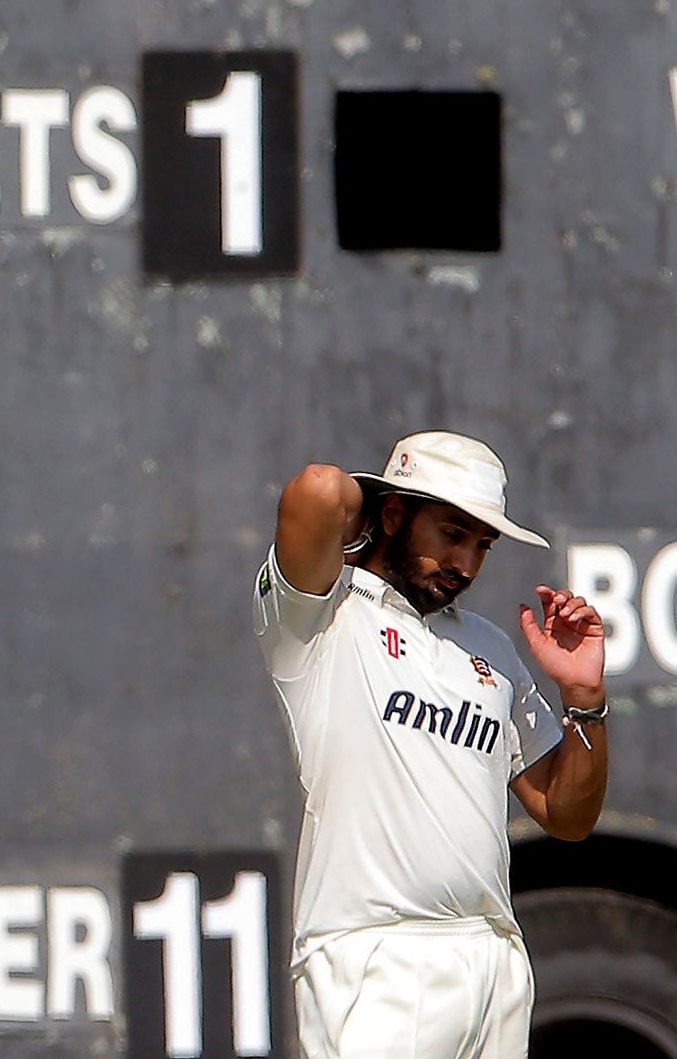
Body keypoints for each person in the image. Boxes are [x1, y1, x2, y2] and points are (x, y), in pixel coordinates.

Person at [254, 430, 608, 1059]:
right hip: (377, 956)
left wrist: (583, 697)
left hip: (493, 956)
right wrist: (391, 502)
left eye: (482, 544)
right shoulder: (320, 617)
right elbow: (317, 489)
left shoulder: (490, 647)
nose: (466, 564)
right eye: (451, 533)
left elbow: (567, 813)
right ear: (392, 515)